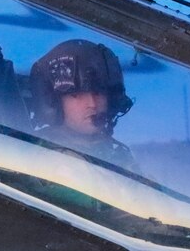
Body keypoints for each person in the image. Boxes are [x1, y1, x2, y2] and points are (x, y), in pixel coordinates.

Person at [29, 38, 138, 170]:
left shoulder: (118, 155)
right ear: (53, 102)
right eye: (77, 95)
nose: (92, 104)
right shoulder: (40, 157)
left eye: (98, 93)